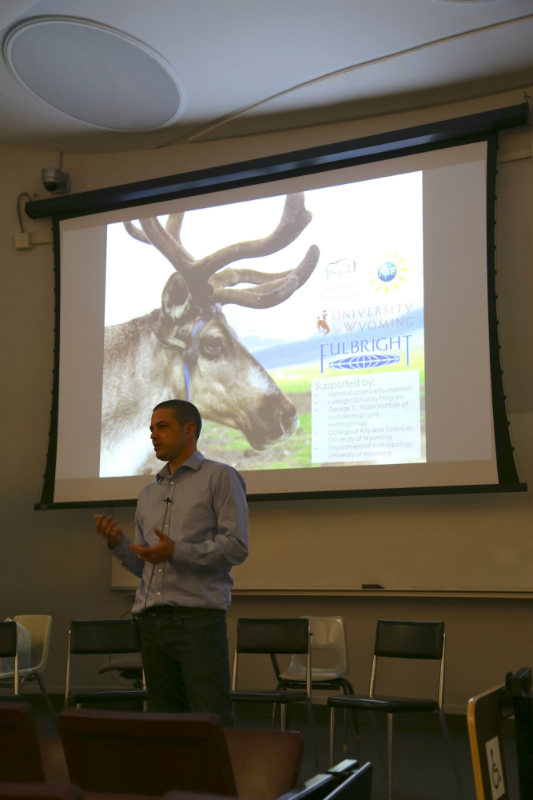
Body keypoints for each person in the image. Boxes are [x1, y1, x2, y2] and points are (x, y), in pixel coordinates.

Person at [93, 399, 248, 726]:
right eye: (151, 428)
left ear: (189, 429)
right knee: (166, 724)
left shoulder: (220, 477)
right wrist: (119, 544)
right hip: (150, 623)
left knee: (211, 719)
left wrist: (176, 551)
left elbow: (235, 547)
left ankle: (219, 779)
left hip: (197, 620)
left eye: (161, 426)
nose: (153, 435)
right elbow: (144, 566)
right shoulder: (148, 493)